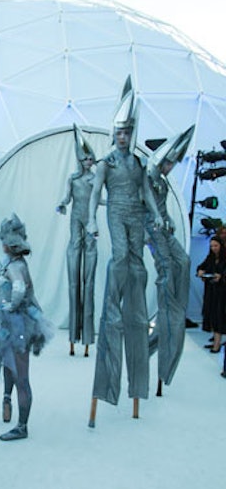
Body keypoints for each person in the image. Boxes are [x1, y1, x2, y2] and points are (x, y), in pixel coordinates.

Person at [86, 75, 163, 426]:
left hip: (137, 215)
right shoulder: (107, 164)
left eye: (127, 133)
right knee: (120, 260)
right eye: (119, 132)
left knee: (137, 266)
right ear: (113, 134)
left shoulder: (137, 165)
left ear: (131, 135)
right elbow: (93, 195)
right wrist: (91, 220)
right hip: (116, 212)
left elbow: (147, 192)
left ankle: (133, 303)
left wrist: (159, 216)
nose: (123, 137)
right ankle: (115, 302)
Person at [0, 214, 54, 440]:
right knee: (9, 365)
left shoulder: (15, 266)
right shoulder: (13, 263)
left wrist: (10, 305)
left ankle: (22, 426)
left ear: (6, 244)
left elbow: (18, 289)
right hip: (9, 323)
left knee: (21, 375)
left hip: (17, 325)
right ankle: (7, 400)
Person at [145, 125, 195, 396]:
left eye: (173, 165)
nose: (169, 168)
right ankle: (169, 307)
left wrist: (169, 219)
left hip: (163, 229)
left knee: (184, 262)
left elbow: (161, 208)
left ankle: (177, 306)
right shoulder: (147, 177)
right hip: (152, 233)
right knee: (167, 269)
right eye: (167, 163)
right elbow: (145, 207)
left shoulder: (161, 182)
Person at [56, 124, 97, 357]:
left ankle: (88, 338)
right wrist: (62, 204)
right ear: (80, 160)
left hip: (90, 225)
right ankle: (73, 337)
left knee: (88, 282)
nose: (88, 162)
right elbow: (67, 198)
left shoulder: (95, 180)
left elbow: (100, 200)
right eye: (85, 158)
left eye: (91, 158)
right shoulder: (73, 179)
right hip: (76, 224)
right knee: (74, 280)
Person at [196, 235, 226, 353]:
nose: (214, 248)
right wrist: (200, 271)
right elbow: (202, 267)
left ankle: (217, 345)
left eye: (216, 246)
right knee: (212, 315)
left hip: (222, 293)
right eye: (212, 246)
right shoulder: (210, 258)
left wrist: (222, 277)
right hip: (211, 292)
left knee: (219, 316)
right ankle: (215, 341)